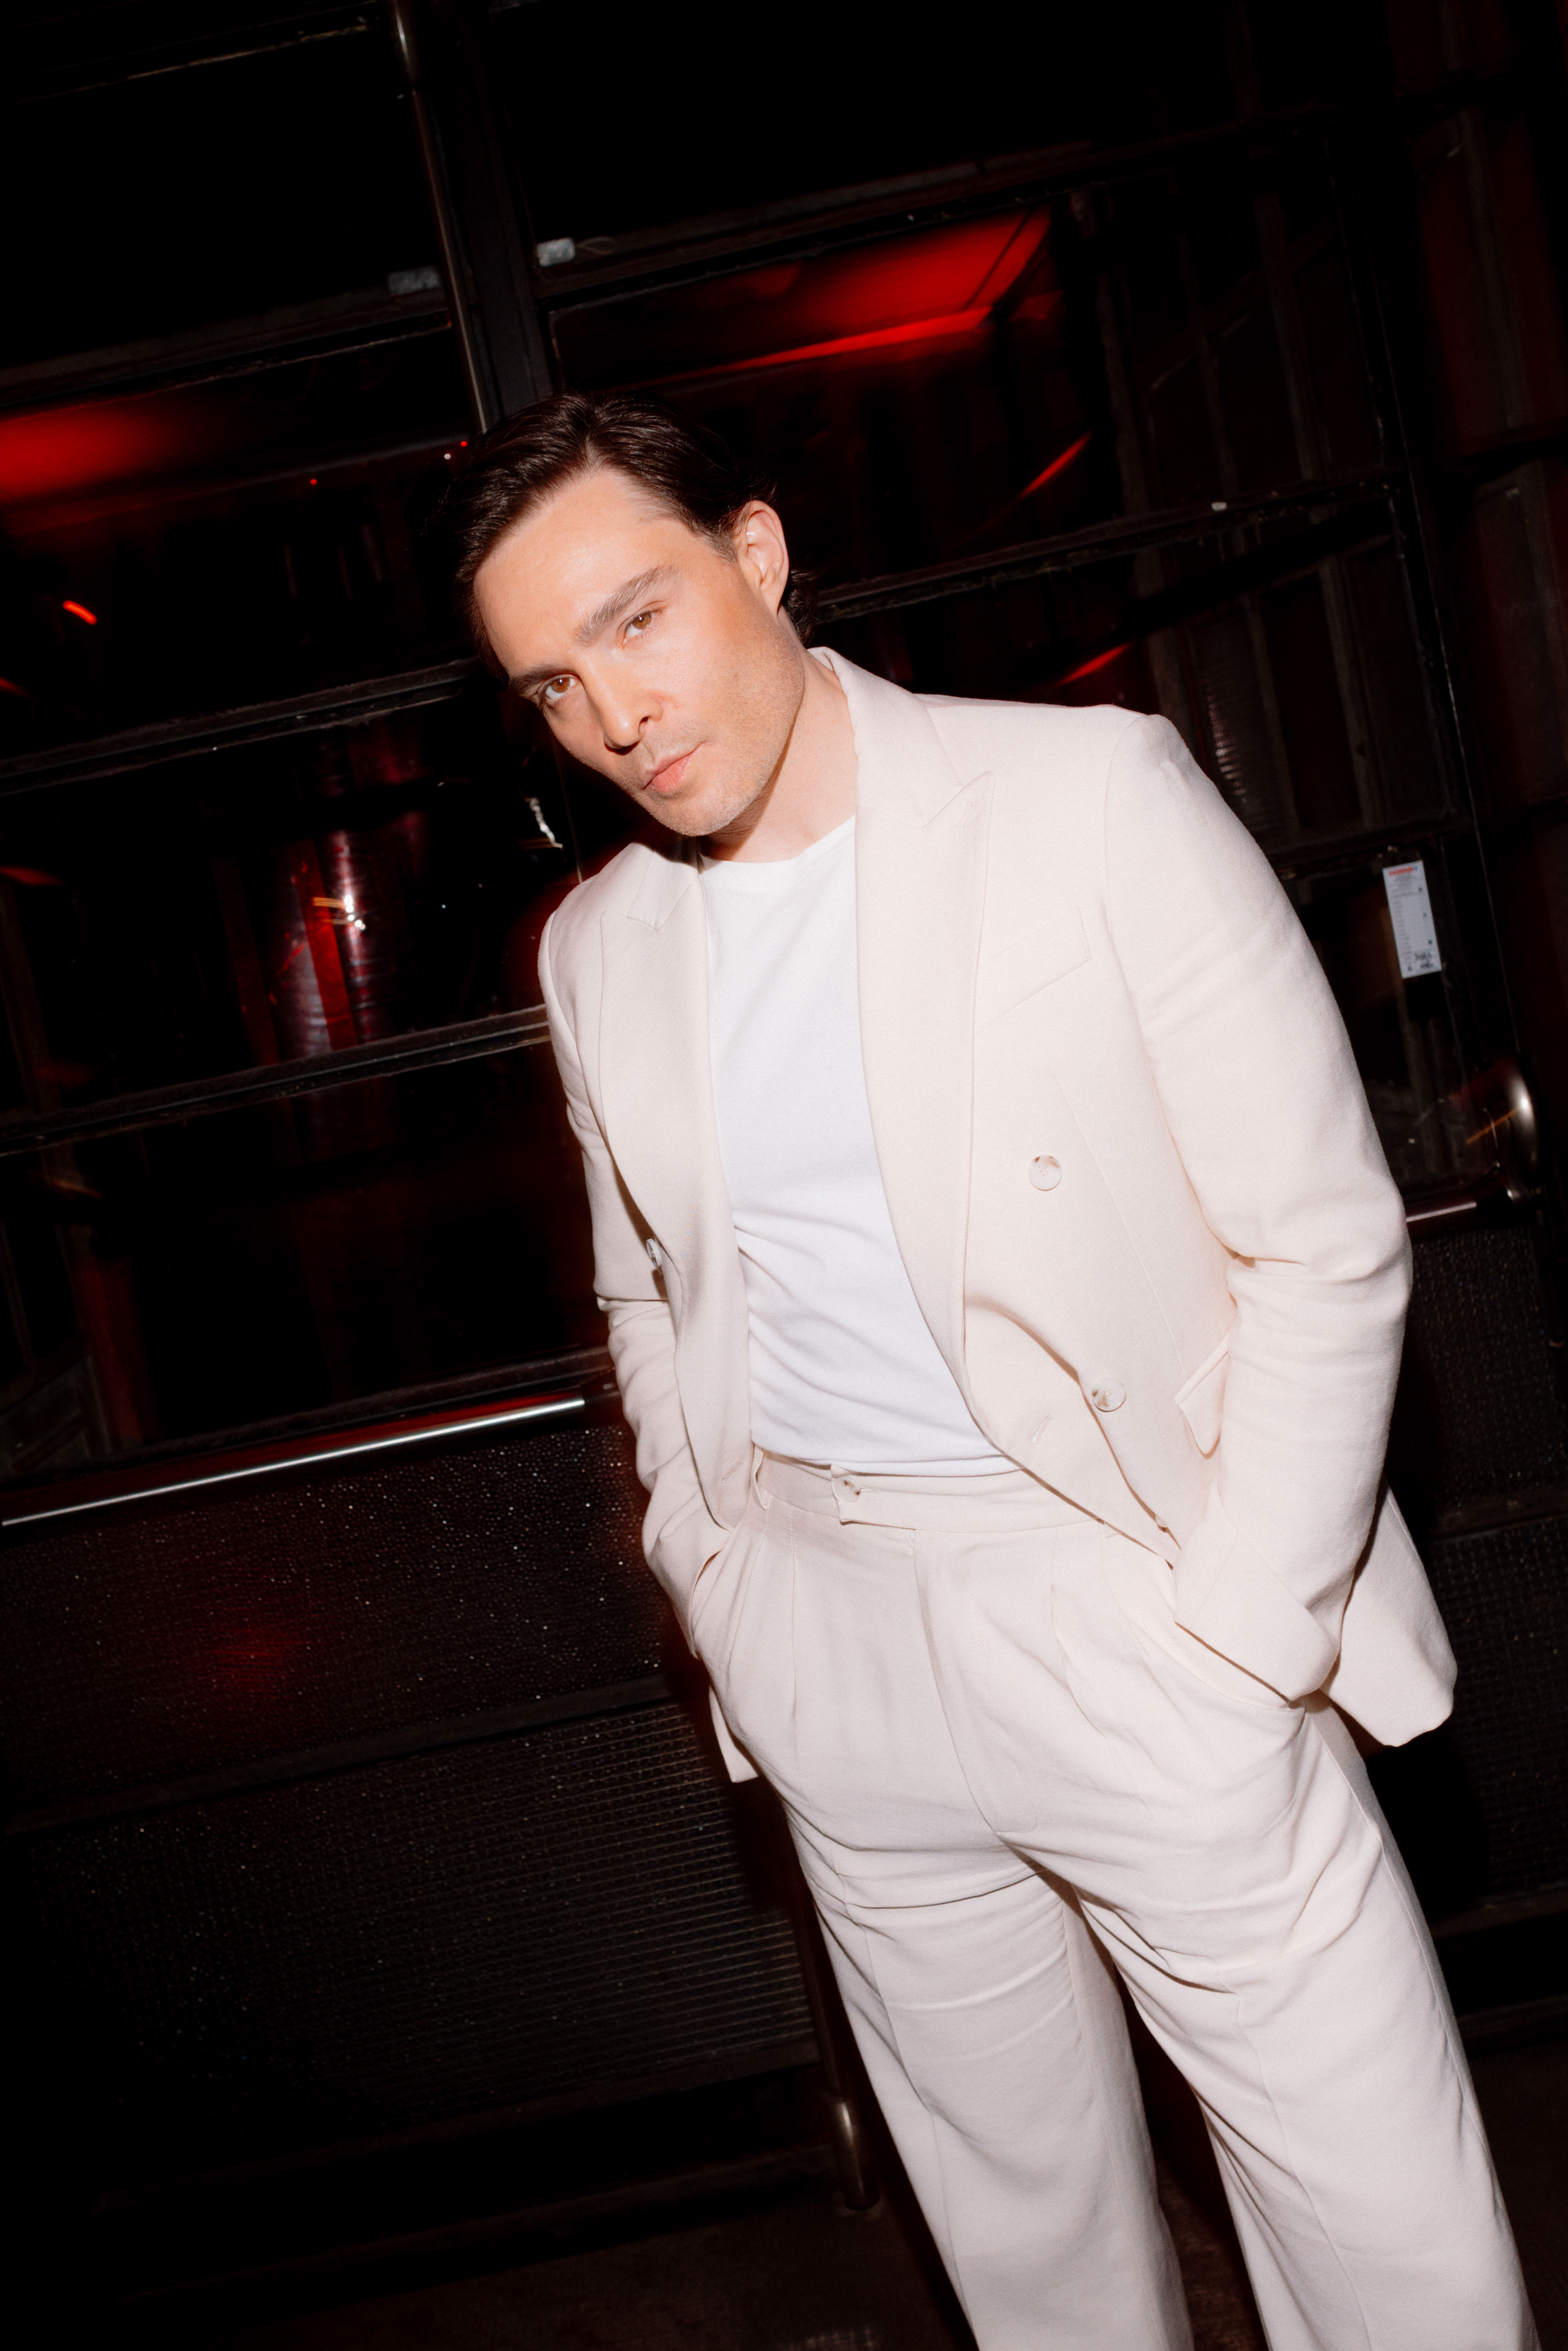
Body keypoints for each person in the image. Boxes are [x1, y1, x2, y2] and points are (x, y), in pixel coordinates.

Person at [440, 392, 1536, 2351]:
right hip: (834, 1651)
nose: (613, 714)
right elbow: (650, 1302)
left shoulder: (1083, 794)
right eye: (551, 686)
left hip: (1138, 1603)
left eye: (637, 619)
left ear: (758, 553)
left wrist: (1240, 1636)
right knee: (1034, 2275)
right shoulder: (599, 948)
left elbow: (1319, 1234)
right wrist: (728, 1592)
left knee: (1398, 2262)